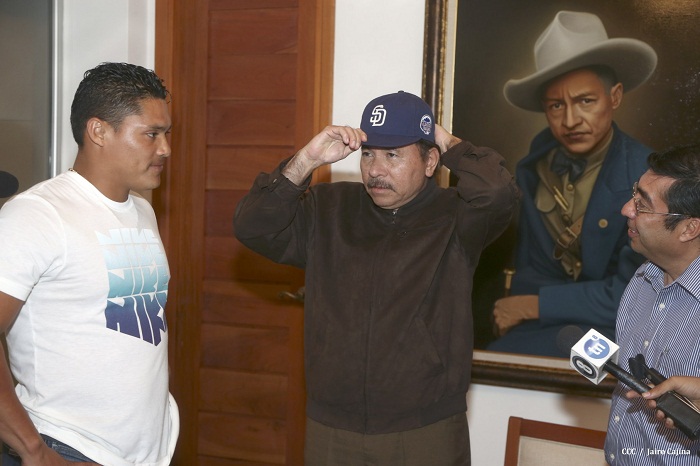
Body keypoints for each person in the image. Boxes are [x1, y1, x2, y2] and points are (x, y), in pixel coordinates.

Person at [234, 90, 518, 465]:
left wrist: (447, 142)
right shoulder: (328, 209)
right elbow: (252, 227)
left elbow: (497, 192)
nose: (375, 170)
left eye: (392, 155)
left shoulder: (457, 218)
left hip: (424, 429)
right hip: (332, 428)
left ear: (430, 161)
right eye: (368, 154)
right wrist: (306, 161)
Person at [0, 62, 179, 465]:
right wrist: (32, 449)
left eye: (167, 134)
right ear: (98, 131)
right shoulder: (37, 214)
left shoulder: (142, 210)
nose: (165, 148)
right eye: (151, 134)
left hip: (144, 452)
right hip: (68, 448)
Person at [486, 10, 658, 356]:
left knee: (591, 372)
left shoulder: (647, 176)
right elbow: (532, 269)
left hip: (621, 325)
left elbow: (635, 295)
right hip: (551, 323)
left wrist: (534, 306)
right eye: (555, 105)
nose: (570, 120)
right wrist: (522, 308)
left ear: (615, 97)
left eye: (585, 101)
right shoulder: (534, 168)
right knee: (500, 359)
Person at [605, 144, 700, 464]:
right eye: (634, 195)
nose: (626, 210)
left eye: (642, 206)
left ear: (689, 228)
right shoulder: (642, 278)